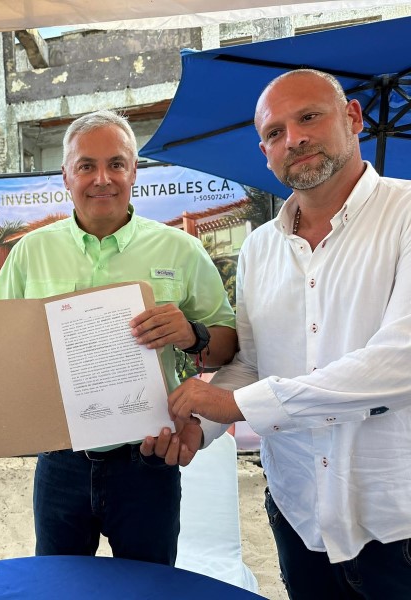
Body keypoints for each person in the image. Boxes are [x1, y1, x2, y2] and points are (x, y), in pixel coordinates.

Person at [0, 110, 237, 564]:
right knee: (59, 587)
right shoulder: (31, 252)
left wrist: (193, 334)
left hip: (149, 459)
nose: (102, 179)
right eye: (86, 166)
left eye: (116, 164)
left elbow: (228, 345)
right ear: (66, 176)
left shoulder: (182, 250)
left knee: (147, 589)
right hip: (60, 463)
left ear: (134, 171)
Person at [167, 69, 411, 599]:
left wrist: (237, 405)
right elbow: (253, 364)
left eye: (309, 117)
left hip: (396, 520)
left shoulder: (406, 213)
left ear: (352, 118)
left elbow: (400, 362)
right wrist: (200, 428)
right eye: (274, 132)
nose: (293, 139)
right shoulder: (259, 248)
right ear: (265, 153)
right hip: (297, 511)